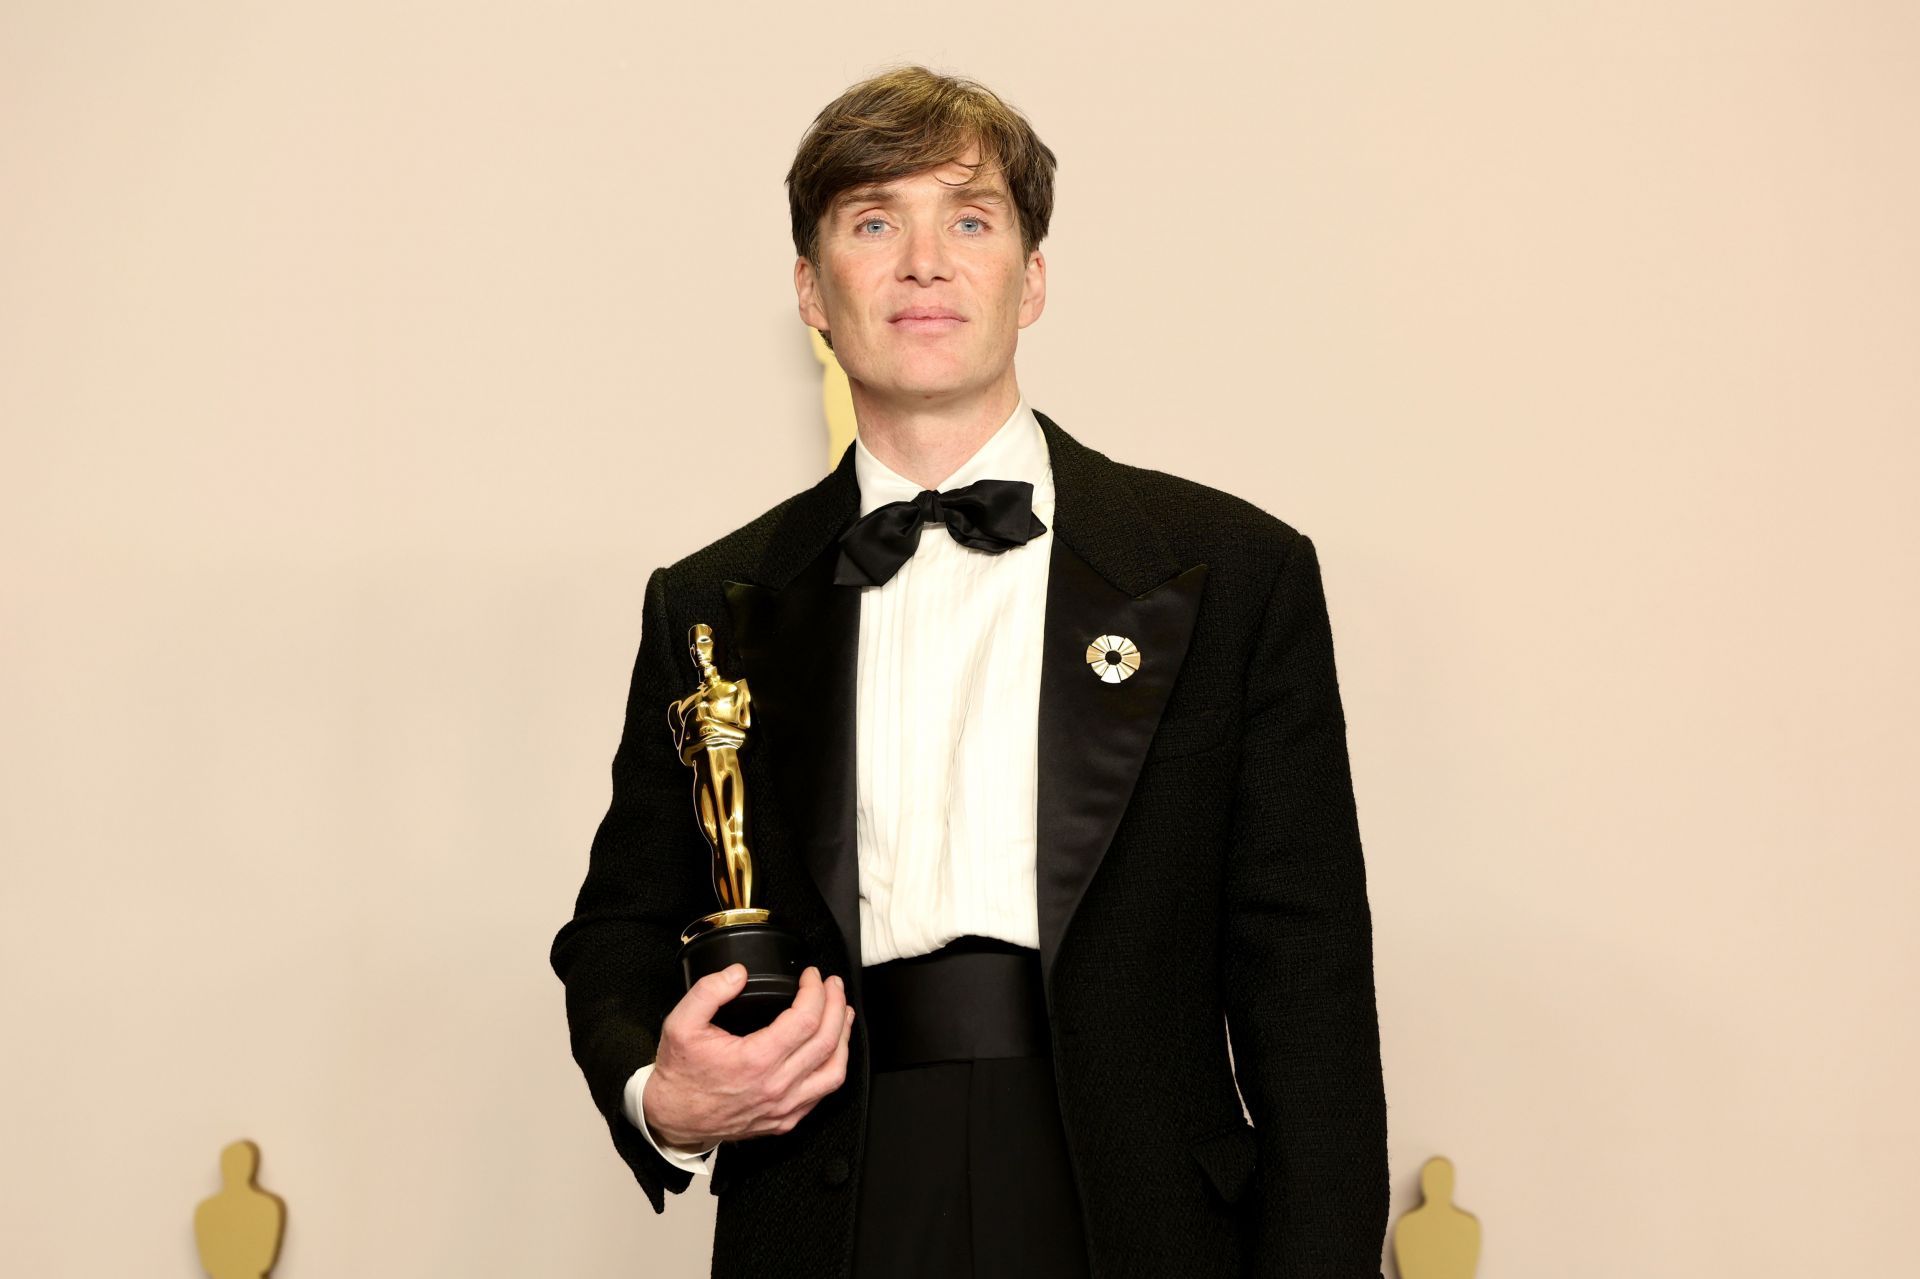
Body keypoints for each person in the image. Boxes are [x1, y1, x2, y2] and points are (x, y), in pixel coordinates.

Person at [550, 64, 1389, 1278]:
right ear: (810, 290)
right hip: (825, 1200)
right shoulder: (706, 604)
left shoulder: (1236, 572)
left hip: (1138, 1205)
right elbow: (618, 928)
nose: (924, 261)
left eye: (971, 218)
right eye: (874, 220)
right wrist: (656, 1097)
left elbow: (1305, 986)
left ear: (1032, 278)